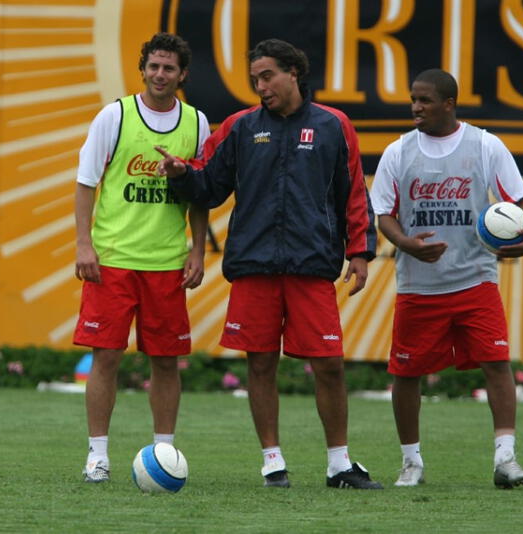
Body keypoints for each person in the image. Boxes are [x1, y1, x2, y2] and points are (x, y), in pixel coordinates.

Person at [156, 39, 382, 489]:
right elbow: (210, 186)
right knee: (260, 365)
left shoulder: (334, 125)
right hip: (254, 265)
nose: (261, 87)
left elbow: (352, 192)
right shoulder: (241, 126)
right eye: (255, 79)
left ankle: (339, 464)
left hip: (311, 266)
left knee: (330, 364)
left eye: (267, 77)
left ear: (293, 72)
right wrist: (183, 175)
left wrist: (360, 250)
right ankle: (272, 461)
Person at [370, 68, 523, 489]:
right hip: (419, 285)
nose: (416, 107)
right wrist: (406, 243)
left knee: (496, 363)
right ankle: (411, 462)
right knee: (406, 374)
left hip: (475, 280)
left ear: (449, 103)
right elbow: (384, 214)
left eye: (425, 100)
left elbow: (519, 199)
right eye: (413, 99)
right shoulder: (398, 151)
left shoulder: (485, 145)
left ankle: (506, 460)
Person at [73, 32, 210, 483]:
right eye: (153, 66)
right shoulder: (115, 116)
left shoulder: (196, 123)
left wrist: (197, 250)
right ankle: (97, 455)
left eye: (169, 67)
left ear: (182, 74)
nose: (160, 74)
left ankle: (164, 452)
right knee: (106, 357)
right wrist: (84, 244)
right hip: (112, 260)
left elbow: (199, 196)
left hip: (167, 264)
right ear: (143, 68)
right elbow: (86, 182)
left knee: (166, 361)